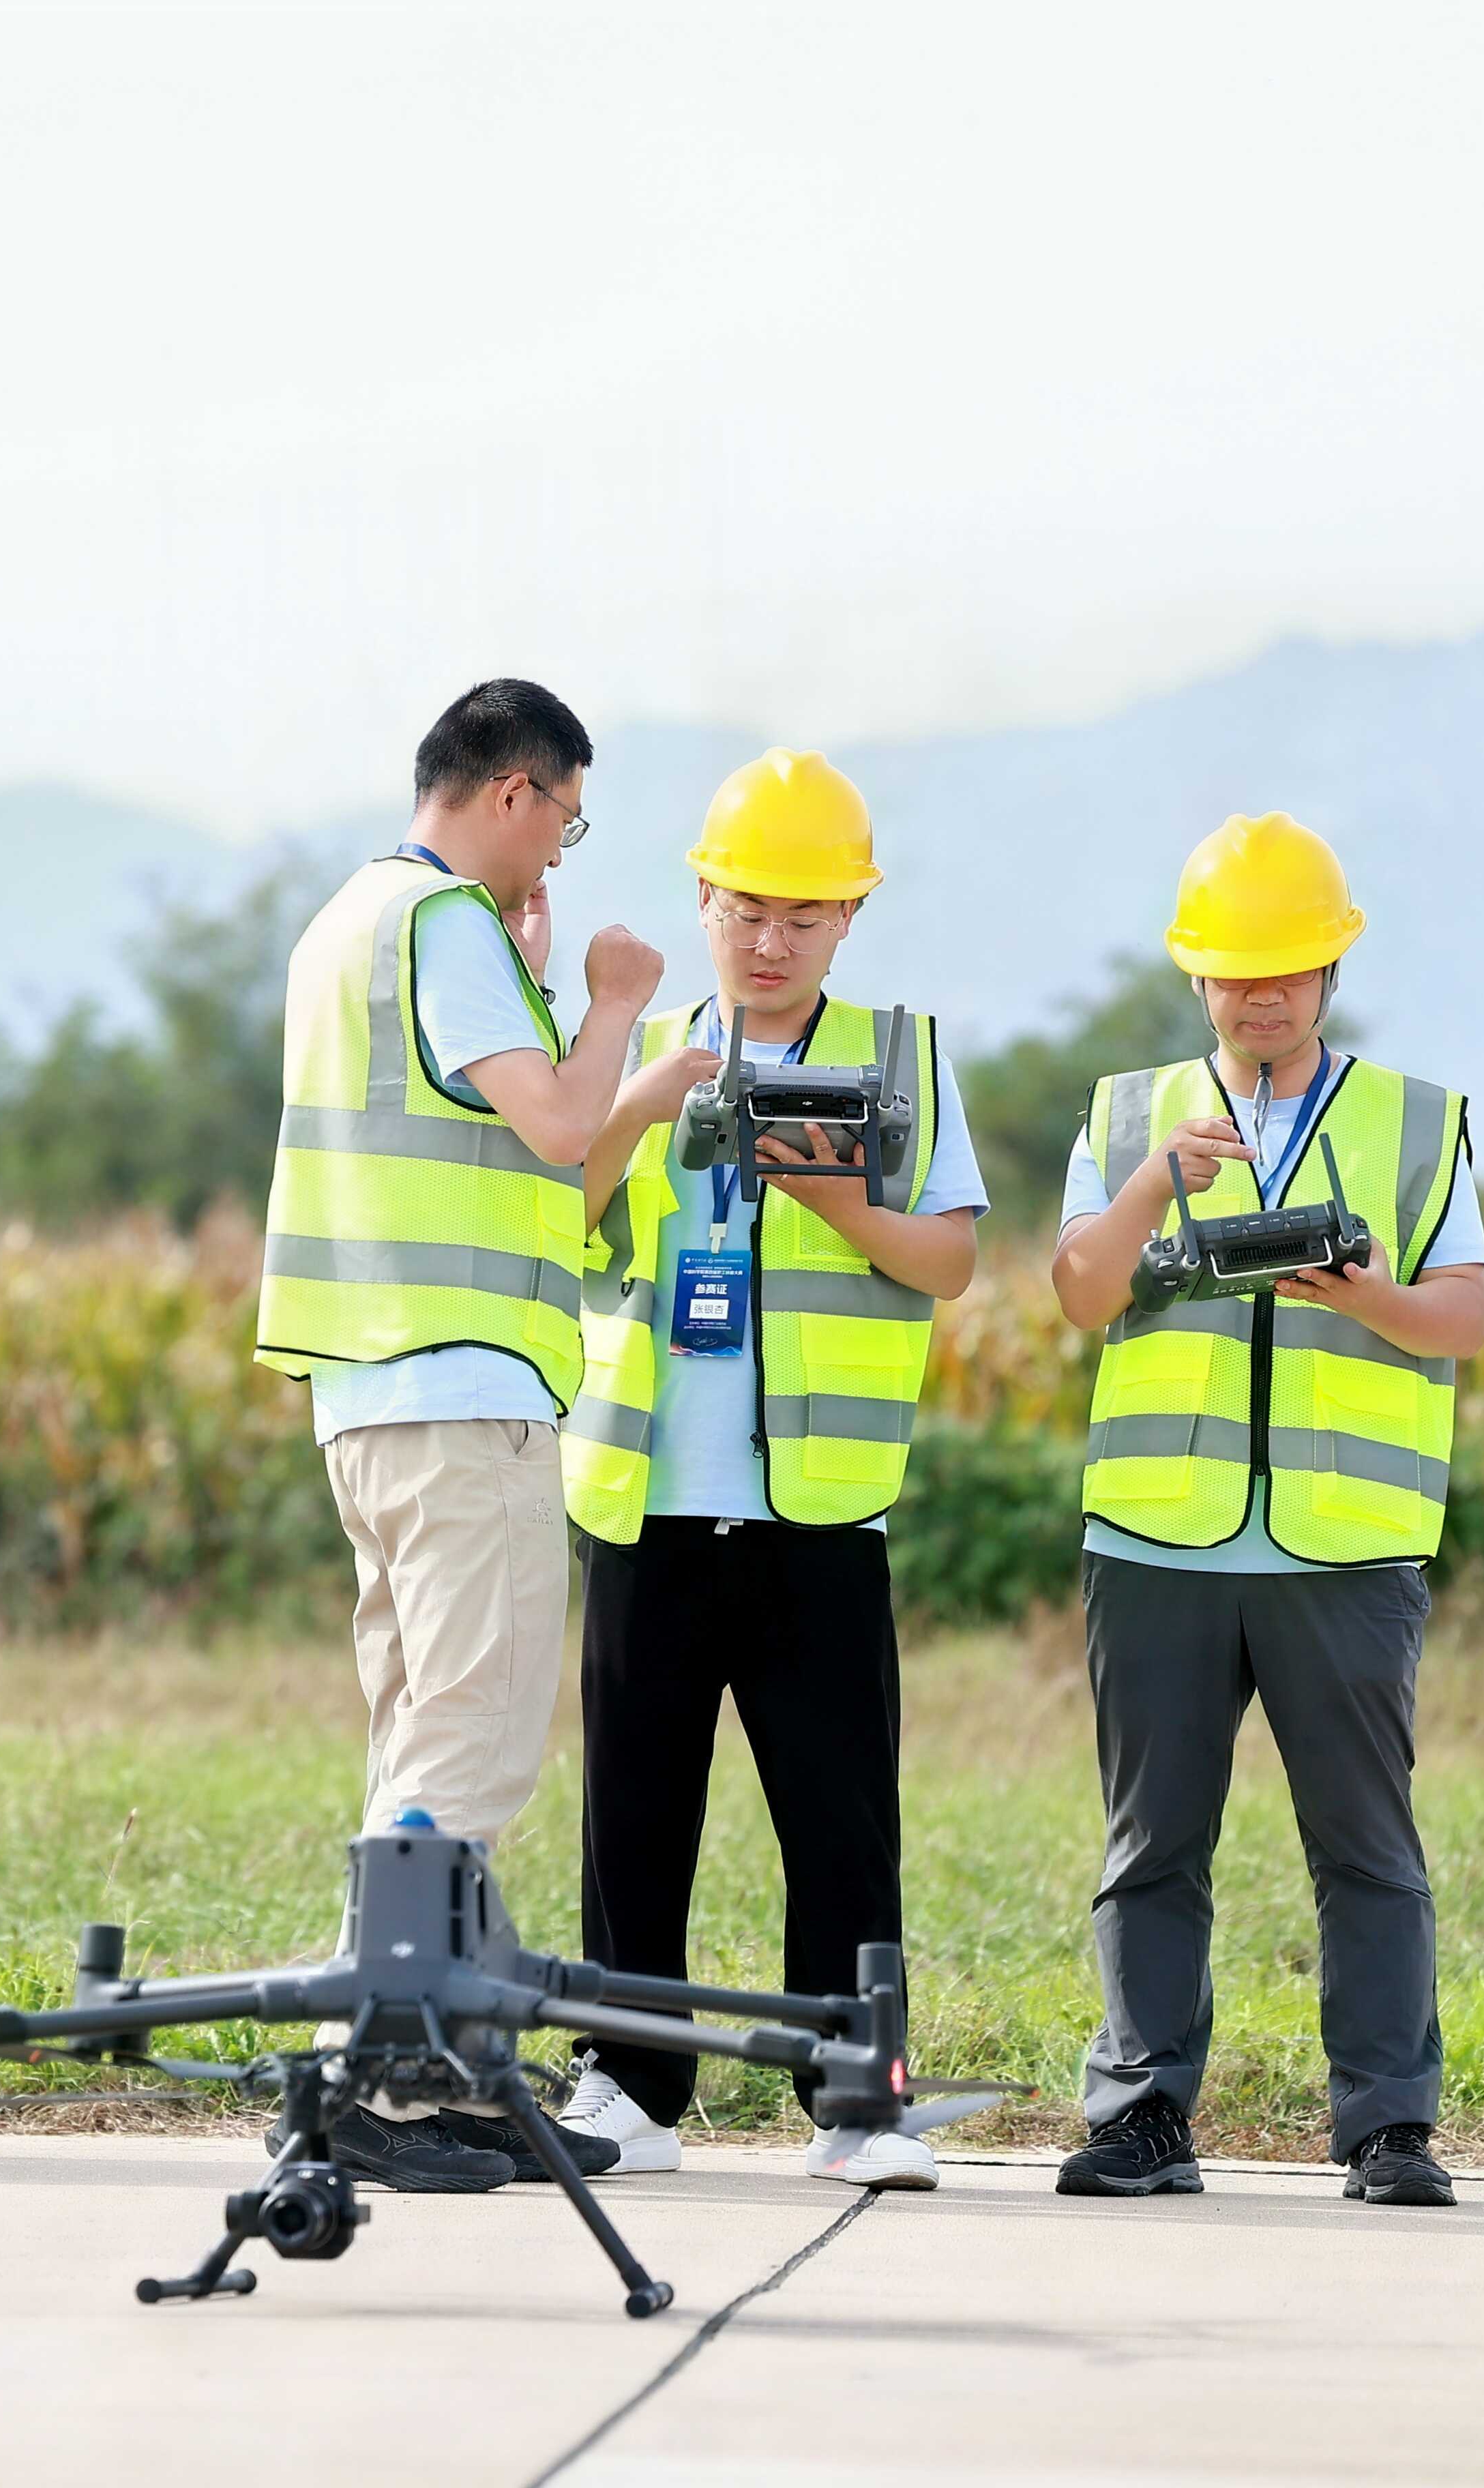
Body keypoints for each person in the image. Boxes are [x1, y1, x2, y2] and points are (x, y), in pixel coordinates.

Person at [549, 751, 987, 2192]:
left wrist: (821, 1185)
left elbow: (950, 1261)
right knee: (634, 1818)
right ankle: (628, 2091)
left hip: (819, 1512)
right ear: (703, 898)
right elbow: (560, 1214)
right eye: (747, 910)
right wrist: (640, 1100)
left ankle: (858, 2100)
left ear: (851, 915)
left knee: (843, 1823)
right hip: (647, 1501)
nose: (772, 939)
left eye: (805, 914)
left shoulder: (905, 1056)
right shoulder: (643, 1050)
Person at [1043, 812, 1484, 2208]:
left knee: (1367, 1850)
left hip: (1345, 1547)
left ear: (1331, 967)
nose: (1260, 994)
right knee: (1151, 1848)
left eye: (1287, 967)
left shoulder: (1416, 1121)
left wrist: (1368, 1296)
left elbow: (1464, 1319)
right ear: (1197, 975)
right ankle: (1142, 2116)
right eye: (1236, 970)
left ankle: (1389, 2129)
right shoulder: (1128, 1113)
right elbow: (1079, 1292)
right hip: (1157, 1537)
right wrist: (1152, 1184)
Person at [256, 678, 662, 2194]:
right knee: (473, 1736)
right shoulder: (446, 924)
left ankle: (432, 2060)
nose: (558, 853)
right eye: (564, 821)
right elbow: (561, 1129)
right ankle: (373, 2070)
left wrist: (535, 982)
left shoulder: (348, 922)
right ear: (513, 791)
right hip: (462, 1394)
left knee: (420, 1729)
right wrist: (612, 1000)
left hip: (369, 1391)